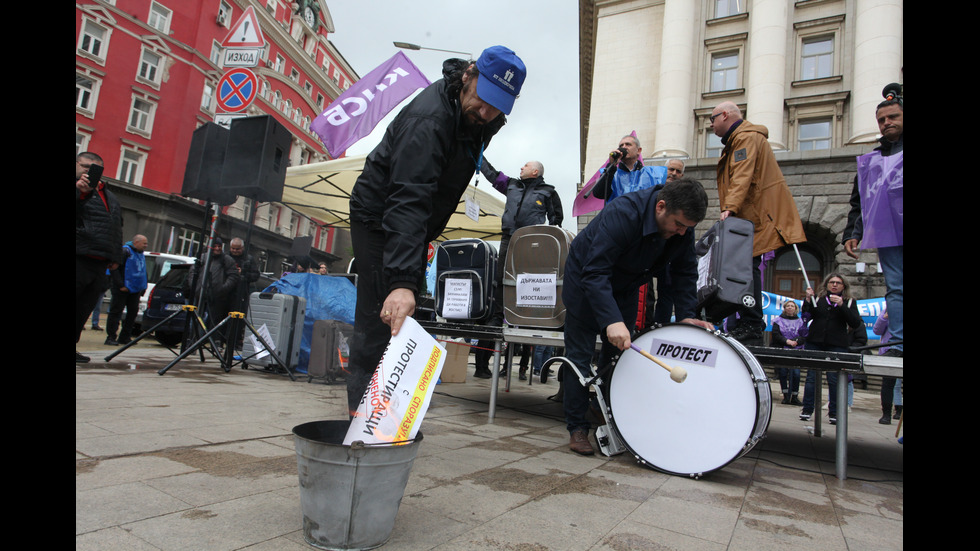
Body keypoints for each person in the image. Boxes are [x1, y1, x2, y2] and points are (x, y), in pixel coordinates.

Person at [346, 46, 526, 416]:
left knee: (402, 319)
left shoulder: (477, 115)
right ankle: (360, 423)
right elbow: (409, 198)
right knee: (381, 314)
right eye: (485, 99)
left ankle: (386, 410)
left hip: (415, 218)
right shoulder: (429, 120)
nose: (488, 112)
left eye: (499, 106)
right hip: (380, 216)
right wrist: (401, 281)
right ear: (468, 75)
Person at [561, 178, 715, 455]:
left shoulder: (682, 229)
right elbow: (595, 272)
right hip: (586, 281)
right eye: (678, 225)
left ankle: (606, 411)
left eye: (687, 229)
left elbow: (684, 273)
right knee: (579, 357)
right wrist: (611, 320)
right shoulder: (623, 213)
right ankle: (577, 426)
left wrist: (687, 316)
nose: (682, 233)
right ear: (660, 206)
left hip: (627, 286)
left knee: (619, 356)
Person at [710, 101, 807, 344]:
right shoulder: (738, 140)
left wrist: (730, 207)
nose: (710, 124)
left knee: (746, 268)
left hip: (753, 215)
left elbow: (742, 174)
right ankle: (747, 320)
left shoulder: (745, 138)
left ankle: (752, 323)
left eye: (712, 119)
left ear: (725, 115)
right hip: (750, 214)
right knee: (744, 268)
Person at [843, 85, 903, 358]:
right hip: (889, 234)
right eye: (882, 120)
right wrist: (852, 233)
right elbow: (860, 202)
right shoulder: (871, 160)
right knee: (896, 289)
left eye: (893, 117)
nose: (887, 123)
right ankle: (899, 345)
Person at [480, 158, 563, 330]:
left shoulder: (548, 192)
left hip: (532, 241)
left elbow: (556, 220)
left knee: (527, 278)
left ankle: (526, 317)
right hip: (508, 237)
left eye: (525, 165)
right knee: (500, 277)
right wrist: (479, 156)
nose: (521, 167)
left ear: (535, 171)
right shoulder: (511, 184)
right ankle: (497, 316)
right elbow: (492, 175)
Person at [76, 152, 123, 363]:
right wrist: (81, 193)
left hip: (100, 261)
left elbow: (116, 227)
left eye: (94, 169)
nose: (88, 171)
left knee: (84, 308)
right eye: (85, 166)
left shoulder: (109, 195)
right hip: (79, 255)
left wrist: (115, 255)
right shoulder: (79, 189)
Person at [798, 273, 863, 424]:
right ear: (826, 284)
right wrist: (807, 300)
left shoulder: (849, 302)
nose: (834, 285)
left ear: (843, 286)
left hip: (837, 344)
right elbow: (807, 315)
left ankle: (834, 412)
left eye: (838, 283)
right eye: (831, 282)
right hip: (815, 342)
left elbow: (854, 322)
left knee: (834, 379)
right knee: (811, 377)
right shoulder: (819, 299)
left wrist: (841, 305)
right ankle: (807, 409)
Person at [591, 135, 667, 203]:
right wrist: (612, 165)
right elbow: (599, 194)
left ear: (639, 150)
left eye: (628, 144)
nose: (624, 147)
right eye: (621, 145)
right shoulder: (610, 172)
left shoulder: (654, 173)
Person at [191, 237, 240, 338]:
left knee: (215, 321)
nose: (217, 248)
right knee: (196, 319)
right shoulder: (203, 258)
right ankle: (193, 339)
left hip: (217, 296)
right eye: (215, 246)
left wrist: (223, 288)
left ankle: (214, 341)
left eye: (219, 246)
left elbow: (233, 276)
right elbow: (192, 273)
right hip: (200, 293)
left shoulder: (227, 260)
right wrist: (195, 287)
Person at [105, 234, 148, 346]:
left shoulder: (140, 254)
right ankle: (111, 337)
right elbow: (114, 270)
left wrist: (143, 286)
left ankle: (125, 337)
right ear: (136, 242)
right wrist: (120, 285)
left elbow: (143, 271)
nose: (146, 246)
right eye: (144, 243)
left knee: (133, 312)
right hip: (122, 289)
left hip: (135, 289)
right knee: (116, 312)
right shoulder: (125, 252)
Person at [770, 299, 805, 405]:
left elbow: (803, 334)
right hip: (782, 349)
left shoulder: (801, 322)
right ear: (784, 308)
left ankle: (794, 396)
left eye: (792, 306)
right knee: (783, 373)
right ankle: (785, 396)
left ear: (795, 309)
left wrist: (796, 342)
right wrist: (787, 341)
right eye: (788, 306)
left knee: (796, 374)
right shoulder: (777, 321)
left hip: (796, 350)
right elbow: (776, 335)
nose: (790, 307)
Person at [228, 237, 260, 345]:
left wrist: (243, 273)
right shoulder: (226, 257)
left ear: (242, 248)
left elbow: (256, 275)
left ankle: (236, 340)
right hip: (226, 292)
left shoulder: (248, 259)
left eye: (237, 249)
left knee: (238, 319)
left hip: (241, 293)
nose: (235, 251)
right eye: (233, 249)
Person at [873, 306, 901, 424]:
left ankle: (899, 409)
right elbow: (877, 330)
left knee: (897, 386)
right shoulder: (888, 309)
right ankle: (886, 414)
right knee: (888, 383)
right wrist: (884, 318)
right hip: (890, 351)